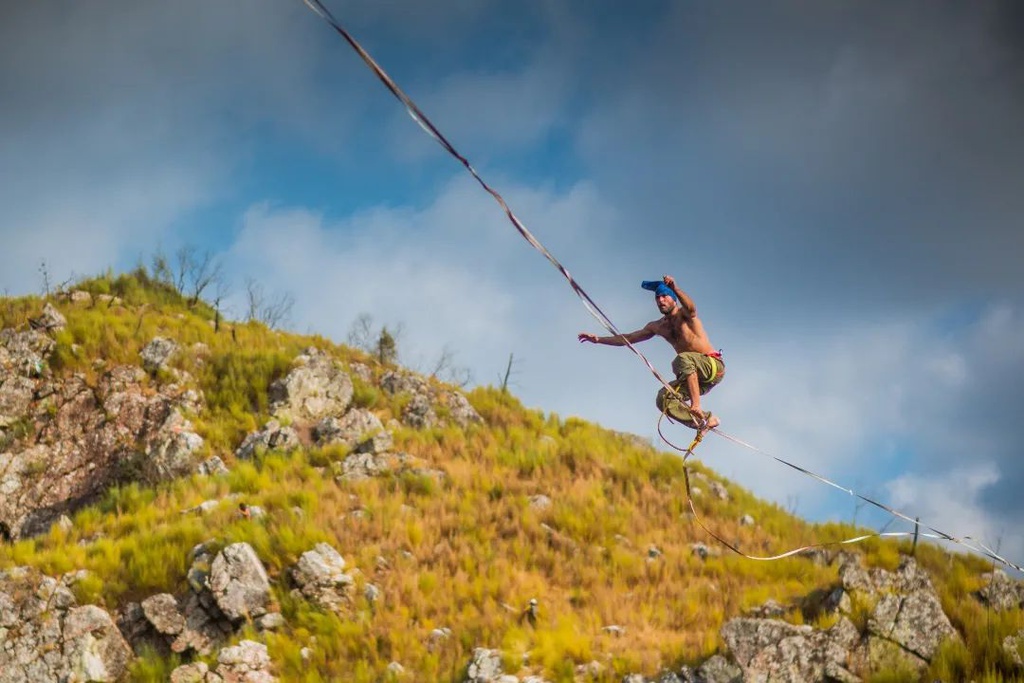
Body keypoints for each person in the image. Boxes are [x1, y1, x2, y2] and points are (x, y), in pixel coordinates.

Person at [578, 275, 724, 429]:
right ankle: (705, 421)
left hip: (712, 366)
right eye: (658, 298)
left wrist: (676, 288)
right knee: (663, 398)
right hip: (697, 379)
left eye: (665, 296)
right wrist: (599, 340)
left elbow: (692, 308)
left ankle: (696, 406)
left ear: (674, 299)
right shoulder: (657, 326)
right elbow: (628, 338)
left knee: (682, 359)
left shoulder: (685, 315)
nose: (661, 301)